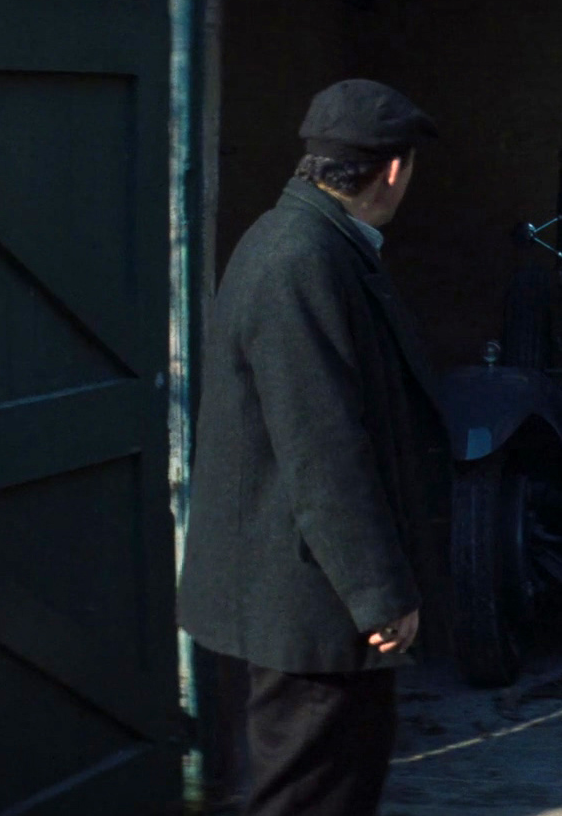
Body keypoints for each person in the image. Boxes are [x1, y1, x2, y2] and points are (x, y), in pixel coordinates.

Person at [178, 78, 444, 816]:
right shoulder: (301, 259)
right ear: (394, 170)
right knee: (310, 796)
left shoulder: (306, 242)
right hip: (308, 602)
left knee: (335, 784)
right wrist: (380, 594)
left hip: (306, 594)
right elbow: (322, 449)